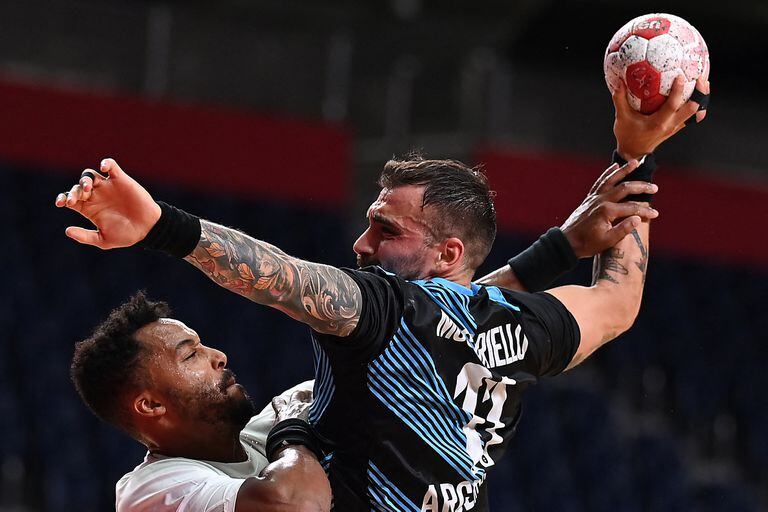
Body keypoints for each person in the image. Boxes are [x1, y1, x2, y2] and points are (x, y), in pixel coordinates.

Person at [58, 75, 709, 511]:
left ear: (447, 252)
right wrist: (636, 156)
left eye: (383, 228)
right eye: (193, 354)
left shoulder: (380, 333)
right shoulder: (153, 491)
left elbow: (291, 278)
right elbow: (617, 302)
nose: (359, 246)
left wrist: (613, 181)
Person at [70, 290, 332, 512]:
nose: (219, 356)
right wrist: (291, 431)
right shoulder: (149, 492)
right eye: (190, 355)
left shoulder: (282, 411)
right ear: (150, 406)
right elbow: (298, 504)